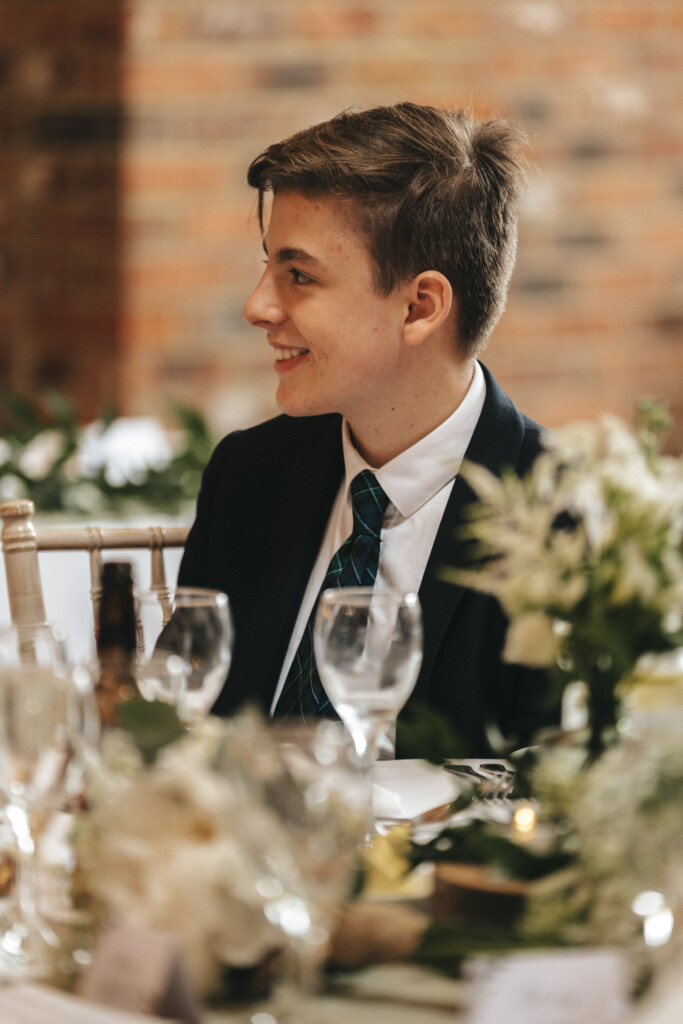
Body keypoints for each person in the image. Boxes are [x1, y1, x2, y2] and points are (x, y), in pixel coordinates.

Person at [178, 101, 552, 755]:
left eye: (297, 275)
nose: (257, 306)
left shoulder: (562, 520)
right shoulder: (248, 475)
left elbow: (560, 796)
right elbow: (186, 727)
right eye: (267, 266)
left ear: (419, 306)